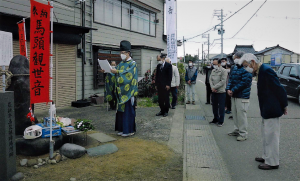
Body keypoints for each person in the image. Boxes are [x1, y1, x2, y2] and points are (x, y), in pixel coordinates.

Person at [247, 53, 288, 170]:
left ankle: (273, 162)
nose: (249, 69)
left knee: (272, 136)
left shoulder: (266, 70)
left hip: (272, 108)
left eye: (249, 66)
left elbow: (279, 88)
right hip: (266, 108)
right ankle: (266, 156)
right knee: (266, 135)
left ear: (253, 62)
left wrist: (284, 105)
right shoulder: (261, 71)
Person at [103, 40, 138, 137]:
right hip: (120, 92)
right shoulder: (121, 64)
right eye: (120, 53)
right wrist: (107, 71)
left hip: (128, 92)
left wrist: (116, 72)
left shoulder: (132, 63)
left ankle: (129, 130)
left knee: (128, 111)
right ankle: (122, 129)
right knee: (121, 112)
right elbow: (115, 72)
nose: (121, 55)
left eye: (123, 53)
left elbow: (128, 75)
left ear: (128, 53)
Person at [226, 51, 252, 141]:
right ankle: (237, 130)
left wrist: (232, 90)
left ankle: (243, 133)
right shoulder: (234, 67)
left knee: (241, 115)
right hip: (234, 95)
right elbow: (230, 79)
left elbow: (245, 82)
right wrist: (228, 89)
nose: (234, 59)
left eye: (236, 57)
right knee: (235, 113)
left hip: (242, 96)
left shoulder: (247, 67)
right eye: (234, 58)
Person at [209, 58, 227, 127]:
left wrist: (214, 87)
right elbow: (210, 79)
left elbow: (223, 81)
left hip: (221, 92)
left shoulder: (223, 71)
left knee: (221, 107)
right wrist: (212, 87)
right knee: (214, 106)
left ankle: (221, 121)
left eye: (215, 64)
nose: (214, 65)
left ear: (219, 64)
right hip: (214, 91)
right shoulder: (213, 70)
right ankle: (215, 118)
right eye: (213, 64)